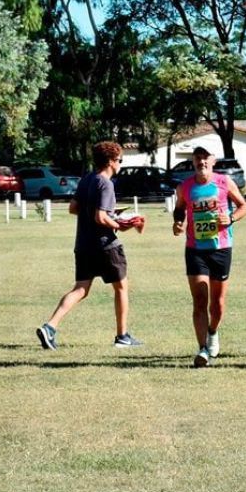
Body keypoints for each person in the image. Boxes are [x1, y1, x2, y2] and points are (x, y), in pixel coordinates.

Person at [37, 141, 143, 350]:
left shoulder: (87, 180)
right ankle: (122, 336)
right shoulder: (106, 183)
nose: (120, 164)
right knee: (121, 287)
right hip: (105, 245)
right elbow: (100, 217)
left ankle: (50, 327)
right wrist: (119, 225)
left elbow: (74, 208)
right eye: (120, 160)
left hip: (83, 244)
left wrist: (111, 214)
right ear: (112, 161)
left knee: (81, 289)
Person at [172, 146, 246, 368]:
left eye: (205, 158)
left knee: (217, 304)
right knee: (199, 300)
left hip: (221, 248)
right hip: (195, 249)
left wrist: (231, 218)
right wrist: (178, 223)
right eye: (198, 158)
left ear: (213, 161)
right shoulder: (185, 187)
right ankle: (202, 349)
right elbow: (180, 209)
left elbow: (244, 206)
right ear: (193, 162)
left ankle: (213, 332)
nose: (201, 162)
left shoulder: (224, 182)